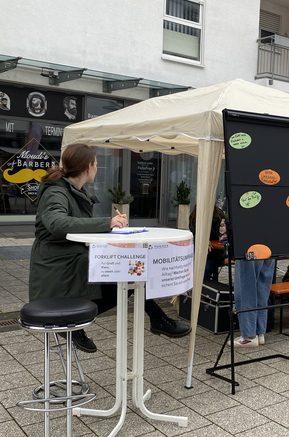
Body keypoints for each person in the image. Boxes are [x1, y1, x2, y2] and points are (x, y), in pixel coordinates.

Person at [29, 143, 190, 353]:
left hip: (72, 260)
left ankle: (154, 319)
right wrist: (108, 223)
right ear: (88, 166)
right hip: (58, 266)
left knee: (129, 274)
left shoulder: (72, 190)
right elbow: (57, 223)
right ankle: (75, 324)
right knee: (127, 273)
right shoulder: (57, 192)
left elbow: (74, 227)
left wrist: (109, 228)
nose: (97, 168)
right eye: (96, 164)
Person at [228, 258, 275, 348]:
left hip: (248, 248)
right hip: (269, 246)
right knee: (262, 287)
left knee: (245, 288)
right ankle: (260, 332)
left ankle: (249, 336)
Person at [189, 205, 227, 281]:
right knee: (202, 271)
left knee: (206, 269)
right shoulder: (195, 215)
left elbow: (224, 234)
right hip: (201, 252)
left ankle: (204, 285)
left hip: (215, 252)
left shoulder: (219, 215)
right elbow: (194, 232)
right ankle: (201, 285)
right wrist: (205, 241)